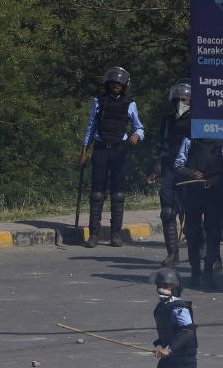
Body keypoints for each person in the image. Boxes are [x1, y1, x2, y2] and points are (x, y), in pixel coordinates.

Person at [78, 66, 145, 248]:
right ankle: (94, 234)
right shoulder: (98, 102)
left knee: (118, 193)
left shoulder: (130, 104)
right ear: (108, 84)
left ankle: (115, 234)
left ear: (124, 86)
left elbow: (139, 127)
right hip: (100, 149)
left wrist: (137, 136)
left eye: (119, 83)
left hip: (119, 150)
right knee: (97, 193)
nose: (116, 85)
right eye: (113, 83)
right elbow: (91, 127)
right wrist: (84, 152)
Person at [147, 79, 191, 266]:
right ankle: (173, 254)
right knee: (167, 212)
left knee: (191, 215)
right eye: (178, 100)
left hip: (191, 172)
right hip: (171, 170)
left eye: (184, 99)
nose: (181, 103)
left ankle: (204, 255)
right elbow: (164, 147)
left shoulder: (199, 119)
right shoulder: (169, 121)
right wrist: (157, 170)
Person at [174, 137, 223, 290]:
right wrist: (191, 173)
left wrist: (217, 177)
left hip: (215, 194)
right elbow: (178, 165)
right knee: (193, 233)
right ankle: (196, 272)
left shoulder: (221, 141)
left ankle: (209, 273)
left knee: (213, 234)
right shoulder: (189, 140)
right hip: (193, 193)